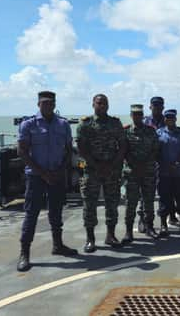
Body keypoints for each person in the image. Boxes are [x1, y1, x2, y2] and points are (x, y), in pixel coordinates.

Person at [17, 91, 77, 272]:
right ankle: (24, 253)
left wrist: (60, 170)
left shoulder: (63, 124)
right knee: (31, 213)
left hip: (57, 175)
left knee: (56, 211)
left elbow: (68, 151)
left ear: (55, 103)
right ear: (38, 104)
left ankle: (58, 245)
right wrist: (43, 173)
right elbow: (22, 151)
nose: (48, 105)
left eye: (51, 103)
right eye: (44, 103)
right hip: (36, 177)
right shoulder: (28, 124)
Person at [77, 94, 126, 252]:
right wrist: (97, 165)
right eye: (99, 103)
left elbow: (123, 145)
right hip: (92, 171)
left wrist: (112, 164)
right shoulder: (86, 124)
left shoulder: (115, 123)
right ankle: (90, 239)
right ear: (93, 104)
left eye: (105, 103)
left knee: (112, 203)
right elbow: (81, 148)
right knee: (89, 205)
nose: (102, 106)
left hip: (111, 170)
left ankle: (110, 235)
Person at [122, 104, 160, 244]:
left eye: (139, 114)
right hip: (132, 172)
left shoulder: (151, 131)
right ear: (131, 115)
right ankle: (128, 231)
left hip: (148, 171)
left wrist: (145, 164)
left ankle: (150, 227)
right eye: (134, 114)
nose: (137, 116)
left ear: (143, 115)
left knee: (149, 201)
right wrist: (134, 164)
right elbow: (123, 151)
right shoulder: (125, 131)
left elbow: (155, 150)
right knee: (130, 203)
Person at [156, 109, 180, 236]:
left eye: (172, 117)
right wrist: (165, 164)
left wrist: (178, 161)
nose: (169, 119)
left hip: (179, 172)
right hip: (164, 172)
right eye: (167, 117)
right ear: (164, 119)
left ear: (175, 119)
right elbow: (156, 152)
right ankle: (163, 225)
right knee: (164, 199)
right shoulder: (158, 133)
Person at [139, 96, 166, 233]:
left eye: (160, 105)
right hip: (147, 162)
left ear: (163, 107)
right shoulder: (144, 121)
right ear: (150, 107)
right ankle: (142, 219)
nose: (157, 108)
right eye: (154, 105)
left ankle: (163, 220)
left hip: (162, 162)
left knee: (163, 192)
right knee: (145, 193)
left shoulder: (166, 121)